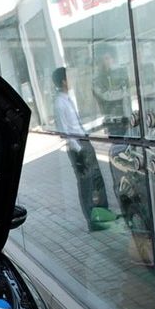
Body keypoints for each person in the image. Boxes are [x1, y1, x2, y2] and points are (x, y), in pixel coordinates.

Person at [52, 67, 111, 231]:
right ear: (64, 81)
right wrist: (79, 151)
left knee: (97, 181)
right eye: (69, 77)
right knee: (87, 185)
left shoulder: (68, 98)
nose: (73, 78)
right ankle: (94, 223)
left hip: (85, 142)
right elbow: (64, 132)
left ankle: (104, 215)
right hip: (78, 148)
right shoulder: (59, 103)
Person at [92, 48, 131, 136]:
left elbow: (126, 97)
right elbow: (108, 96)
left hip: (124, 118)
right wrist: (125, 92)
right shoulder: (97, 79)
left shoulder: (116, 74)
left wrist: (129, 116)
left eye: (109, 58)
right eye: (105, 59)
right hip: (113, 122)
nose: (108, 61)